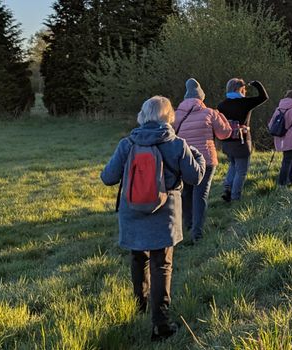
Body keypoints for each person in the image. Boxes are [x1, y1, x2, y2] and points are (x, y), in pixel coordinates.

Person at [100, 96, 206, 341]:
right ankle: (161, 324)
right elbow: (195, 177)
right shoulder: (177, 144)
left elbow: (108, 177)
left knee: (138, 258)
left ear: (143, 116)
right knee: (161, 265)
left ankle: (140, 305)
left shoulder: (127, 144)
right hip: (164, 216)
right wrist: (198, 156)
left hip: (132, 212)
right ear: (168, 116)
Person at [174, 78, 232, 243]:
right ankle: (197, 234)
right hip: (206, 160)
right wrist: (221, 117)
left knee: (186, 193)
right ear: (201, 97)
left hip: (184, 159)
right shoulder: (210, 113)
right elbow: (224, 134)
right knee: (201, 195)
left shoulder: (176, 114)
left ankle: (188, 226)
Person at [217, 78, 269, 202]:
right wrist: (256, 84)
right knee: (241, 170)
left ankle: (227, 189)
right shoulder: (245, 103)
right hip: (241, 141)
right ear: (239, 89)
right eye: (244, 89)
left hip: (227, 140)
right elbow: (264, 97)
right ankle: (235, 197)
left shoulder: (221, 105)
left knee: (233, 165)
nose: (245, 91)